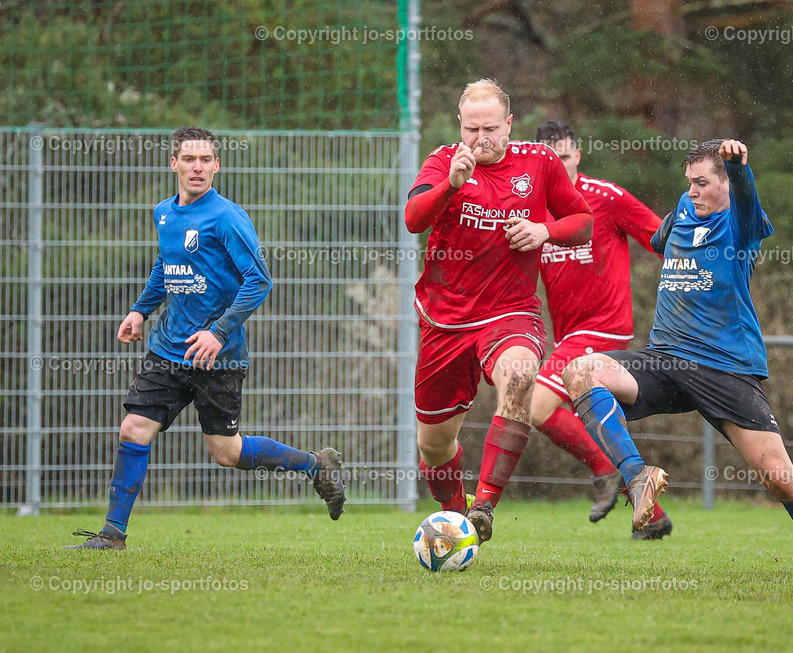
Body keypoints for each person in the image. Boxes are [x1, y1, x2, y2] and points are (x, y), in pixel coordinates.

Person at [563, 139, 793, 581]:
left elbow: (747, 199)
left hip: (724, 369)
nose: (693, 191)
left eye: (703, 183)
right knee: (579, 371)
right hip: (666, 360)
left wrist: (740, 169)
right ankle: (638, 477)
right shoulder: (680, 211)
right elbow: (660, 241)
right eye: (689, 183)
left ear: (726, 184)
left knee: (779, 479)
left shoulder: (741, 224)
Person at [66, 126, 346, 550]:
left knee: (226, 453)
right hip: (168, 349)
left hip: (219, 356)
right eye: (189, 159)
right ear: (173, 163)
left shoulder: (227, 217)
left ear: (217, 165)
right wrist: (141, 309)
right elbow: (166, 265)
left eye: (205, 160)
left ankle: (314, 465)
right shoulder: (163, 212)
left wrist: (218, 333)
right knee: (133, 428)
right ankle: (112, 534)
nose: (197, 167)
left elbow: (259, 280)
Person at [404, 79, 593, 543]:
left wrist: (544, 231)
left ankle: (485, 503)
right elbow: (413, 219)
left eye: (490, 128)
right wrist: (450, 185)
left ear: (509, 124)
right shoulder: (443, 162)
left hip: (510, 313)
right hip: (444, 322)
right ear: (460, 125)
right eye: (472, 129)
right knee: (433, 445)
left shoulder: (540, 162)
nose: (481, 138)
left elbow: (583, 222)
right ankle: (455, 515)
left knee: (521, 375)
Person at [532, 121, 671, 540]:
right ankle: (655, 516)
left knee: (535, 406)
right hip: (569, 334)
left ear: (578, 157)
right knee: (595, 421)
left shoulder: (606, 198)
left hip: (605, 328)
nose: (559, 164)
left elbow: (662, 239)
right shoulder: (530, 208)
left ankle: (604, 469)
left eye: (566, 156)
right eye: (550, 158)